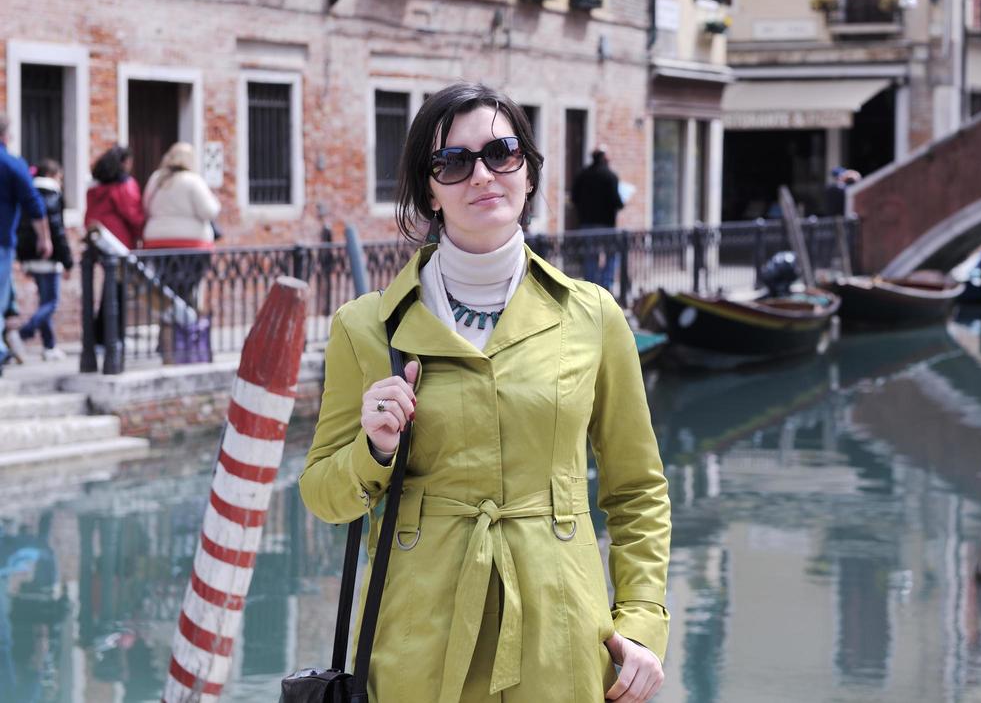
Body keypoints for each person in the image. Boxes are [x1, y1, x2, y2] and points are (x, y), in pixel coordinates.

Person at [299, 82, 669, 703]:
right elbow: (323, 496)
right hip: (416, 639)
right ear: (429, 191)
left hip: (563, 637)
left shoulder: (594, 316)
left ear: (527, 172)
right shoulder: (365, 328)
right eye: (453, 162)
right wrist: (375, 449)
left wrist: (641, 622)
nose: (483, 175)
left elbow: (637, 491)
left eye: (502, 153)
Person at [141, 142, 220, 307]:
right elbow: (209, 211)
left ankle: (171, 322)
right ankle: (185, 323)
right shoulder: (193, 180)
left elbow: (146, 207)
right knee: (187, 290)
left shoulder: (156, 179)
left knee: (167, 289)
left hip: (156, 243)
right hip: (191, 245)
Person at [0, 119, 50, 375]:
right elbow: (34, 203)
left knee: (6, 296)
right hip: (2, 241)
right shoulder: (11, 163)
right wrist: (45, 237)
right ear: (5, 135)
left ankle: (10, 339)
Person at [11, 160, 72, 363]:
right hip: (48, 255)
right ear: (55, 175)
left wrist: (23, 257)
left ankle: (49, 345)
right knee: (51, 303)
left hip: (30, 255)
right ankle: (22, 333)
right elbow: (57, 230)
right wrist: (68, 261)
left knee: (44, 301)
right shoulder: (52, 195)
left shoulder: (29, 193)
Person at [570, 145, 625, 290]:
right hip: (607, 225)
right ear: (604, 158)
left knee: (590, 256)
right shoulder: (610, 176)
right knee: (611, 255)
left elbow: (574, 198)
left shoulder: (582, 175)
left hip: (587, 224)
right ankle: (606, 285)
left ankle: (591, 286)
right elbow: (617, 202)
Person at [84, 146, 145, 250]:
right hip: (119, 243)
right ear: (124, 163)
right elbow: (134, 216)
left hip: (98, 242)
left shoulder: (94, 189)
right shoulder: (125, 186)